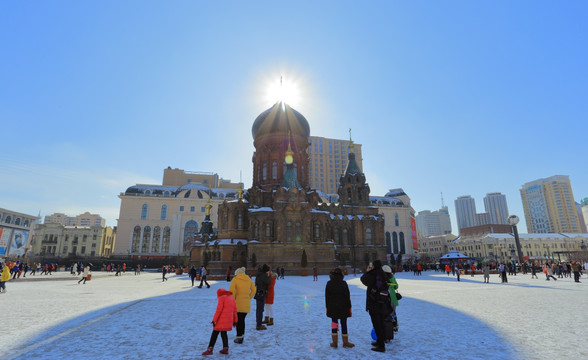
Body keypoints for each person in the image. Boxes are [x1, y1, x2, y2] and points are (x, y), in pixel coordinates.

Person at [360, 260, 389, 353]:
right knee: (381, 322)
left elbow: (363, 279)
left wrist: (368, 270)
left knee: (376, 324)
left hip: (373, 303)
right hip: (382, 302)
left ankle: (381, 346)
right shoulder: (383, 274)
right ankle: (380, 341)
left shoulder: (372, 274)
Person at [201, 288, 238, 356]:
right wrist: (235, 320)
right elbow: (235, 310)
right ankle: (225, 348)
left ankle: (210, 349)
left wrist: (214, 320)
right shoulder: (231, 298)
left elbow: (219, 310)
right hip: (228, 320)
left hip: (221, 320)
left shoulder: (222, 298)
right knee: (224, 333)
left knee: (214, 333)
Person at [325, 267, 354, 348]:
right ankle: (345, 342)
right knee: (344, 324)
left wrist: (327, 307)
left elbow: (327, 297)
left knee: (334, 324)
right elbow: (347, 297)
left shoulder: (329, 283)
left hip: (332, 307)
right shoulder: (344, 283)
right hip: (343, 307)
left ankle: (334, 343)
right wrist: (349, 307)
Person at [229, 267, 256, 344]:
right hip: (246, 303)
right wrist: (249, 297)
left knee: (238, 321)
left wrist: (232, 301)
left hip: (237, 303)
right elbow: (254, 289)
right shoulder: (248, 279)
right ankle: (242, 336)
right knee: (242, 320)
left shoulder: (235, 280)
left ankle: (239, 337)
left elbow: (232, 292)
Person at [254, 264, 270, 330]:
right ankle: (259, 325)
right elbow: (268, 282)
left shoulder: (258, 274)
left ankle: (258, 321)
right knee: (260, 309)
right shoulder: (264, 275)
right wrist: (268, 276)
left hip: (258, 292)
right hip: (262, 293)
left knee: (258, 309)